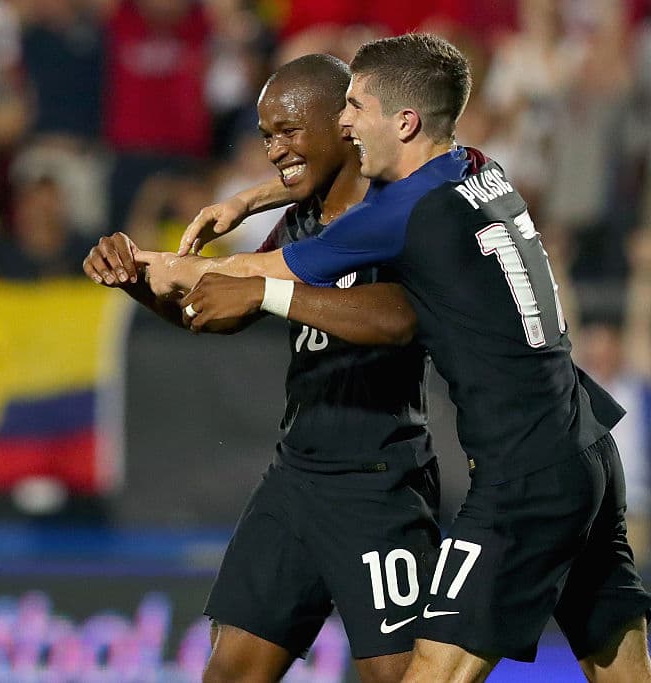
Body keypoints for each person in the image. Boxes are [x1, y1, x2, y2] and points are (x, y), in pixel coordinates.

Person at [138, 33, 651, 682]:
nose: (344, 122)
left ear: (404, 121)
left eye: (356, 106)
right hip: (586, 443)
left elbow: (249, 269)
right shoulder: (476, 167)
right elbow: (344, 172)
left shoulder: (403, 215)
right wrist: (250, 198)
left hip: (525, 472)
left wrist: (157, 267)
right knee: (622, 667)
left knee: (430, 671)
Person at [85, 54, 441, 683]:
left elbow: (398, 317)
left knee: (403, 679)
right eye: (267, 134)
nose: (275, 150)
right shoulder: (301, 219)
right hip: (297, 476)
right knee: (228, 673)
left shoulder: (398, 212)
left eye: (289, 131)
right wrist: (136, 278)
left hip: (380, 481)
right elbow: (218, 313)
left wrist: (268, 290)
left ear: (345, 121)